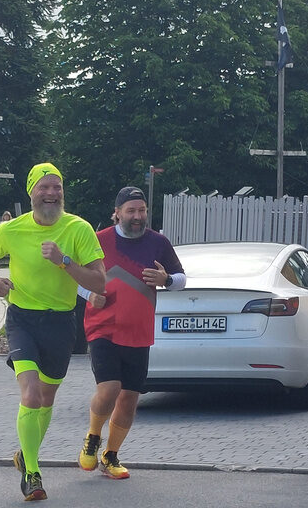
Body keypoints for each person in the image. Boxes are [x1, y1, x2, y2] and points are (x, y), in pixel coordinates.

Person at [0, 163, 106, 501]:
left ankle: (25, 454)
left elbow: (99, 282)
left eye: (56, 187)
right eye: (43, 188)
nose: (51, 194)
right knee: (31, 395)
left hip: (61, 322)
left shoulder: (78, 229)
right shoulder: (12, 229)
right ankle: (32, 473)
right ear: (31, 192)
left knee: (46, 399)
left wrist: (64, 261)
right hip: (23, 320)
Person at [77, 186, 185, 479]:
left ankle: (110, 456)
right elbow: (74, 277)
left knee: (129, 398)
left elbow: (181, 279)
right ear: (117, 213)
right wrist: (89, 294)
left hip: (139, 329)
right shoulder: (98, 240)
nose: (137, 216)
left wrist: (166, 279)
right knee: (110, 388)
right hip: (102, 326)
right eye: (131, 211)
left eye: (142, 210)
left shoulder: (158, 243)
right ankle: (93, 436)